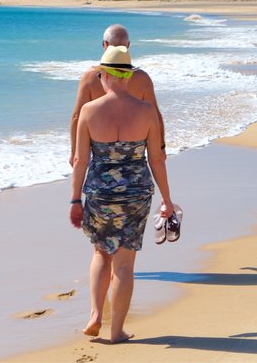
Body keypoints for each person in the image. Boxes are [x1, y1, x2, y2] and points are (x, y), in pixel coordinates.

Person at [69, 45, 174, 344]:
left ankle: (95, 316)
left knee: (101, 252)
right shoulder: (147, 111)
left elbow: (80, 160)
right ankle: (117, 332)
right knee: (125, 264)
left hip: (100, 193)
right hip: (137, 192)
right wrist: (167, 199)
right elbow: (157, 159)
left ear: (105, 76)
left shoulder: (90, 111)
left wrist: (75, 199)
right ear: (128, 76)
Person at [69, 24, 163, 167]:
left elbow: (76, 117)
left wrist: (75, 152)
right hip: (134, 156)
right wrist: (161, 147)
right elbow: (155, 114)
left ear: (105, 45)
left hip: (101, 153)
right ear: (128, 46)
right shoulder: (143, 78)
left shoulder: (90, 77)